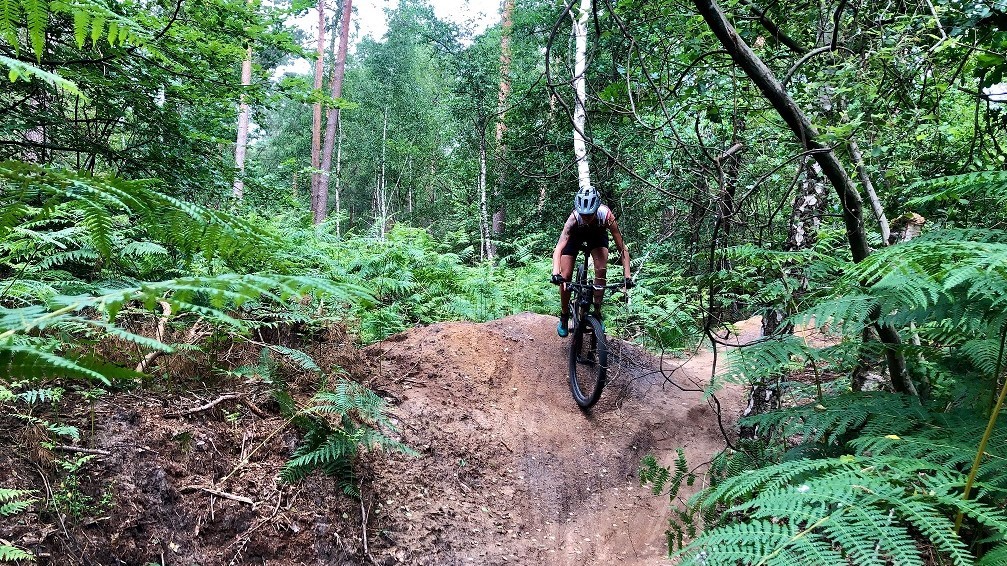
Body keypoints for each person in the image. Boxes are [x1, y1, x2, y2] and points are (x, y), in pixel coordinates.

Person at [550, 185, 633, 337]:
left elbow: (622, 248)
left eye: (590, 214)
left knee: (601, 270)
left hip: (597, 236)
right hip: (575, 237)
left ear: (596, 209)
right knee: (566, 276)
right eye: (584, 214)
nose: (586, 218)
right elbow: (559, 247)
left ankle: (597, 312)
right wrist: (556, 273)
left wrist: (627, 276)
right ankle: (564, 315)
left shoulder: (607, 216)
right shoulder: (574, 218)